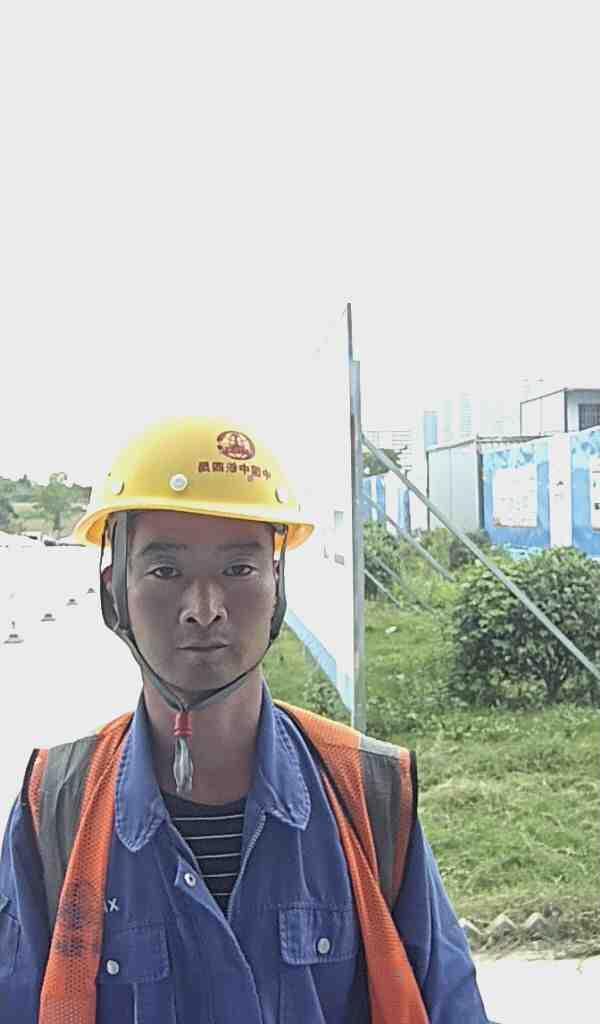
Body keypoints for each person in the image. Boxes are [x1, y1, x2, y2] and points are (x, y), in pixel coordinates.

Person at [0, 416, 491, 1023]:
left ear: (277, 585)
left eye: (238, 570)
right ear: (113, 590)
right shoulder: (56, 804)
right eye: (165, 571)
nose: (203, 609)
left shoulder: (368, 794)